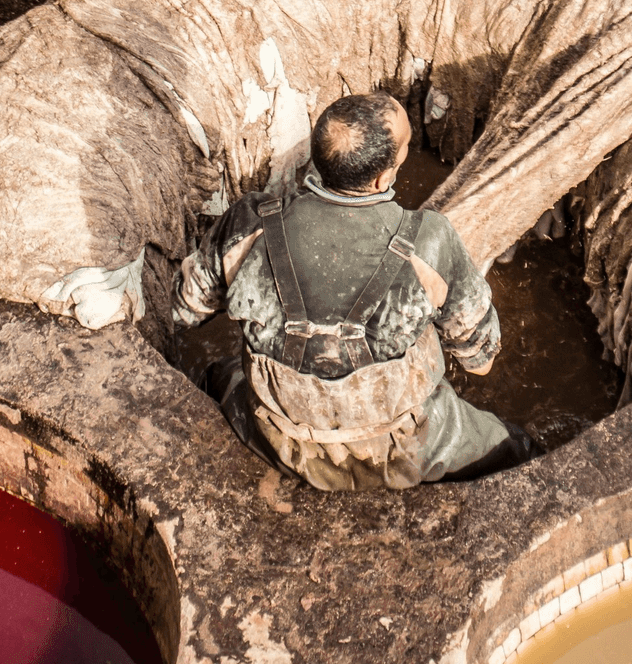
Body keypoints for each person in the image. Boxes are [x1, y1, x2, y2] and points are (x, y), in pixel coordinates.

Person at [175, 92, 540, 490]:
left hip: (278, 438)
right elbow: (480, 359)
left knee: (213, 377)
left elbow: (185, 309)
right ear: (384, 177)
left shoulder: (248, 224)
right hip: (402, 450)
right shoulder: (430, 241)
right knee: (518, 452)